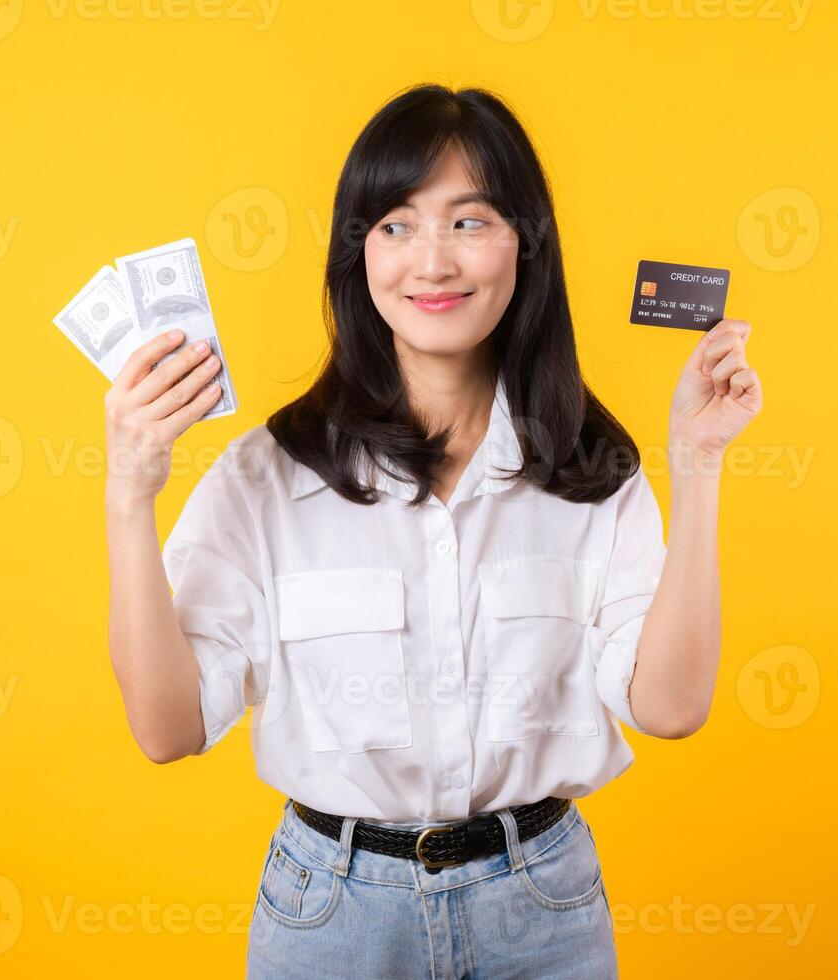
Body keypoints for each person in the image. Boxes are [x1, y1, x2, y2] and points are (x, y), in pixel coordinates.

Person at [104, 83, 762, 979]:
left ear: (525, 244)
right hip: (330, 918)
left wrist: (698, 462)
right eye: (396, 225)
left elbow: (671, 709)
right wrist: (128, 496)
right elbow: (167, 728)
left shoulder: (592, 467)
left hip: (543, 912)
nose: (433, 262)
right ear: (359, 253)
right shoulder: (268, 473)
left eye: (469, 221)